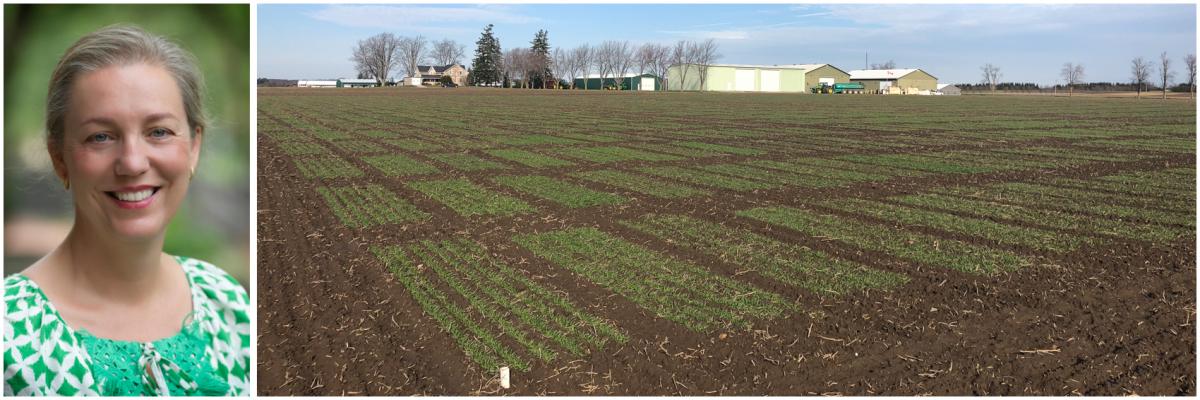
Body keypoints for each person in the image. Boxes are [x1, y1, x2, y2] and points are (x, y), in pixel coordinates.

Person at [3, 24, 249, 396]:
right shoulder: (10, 334)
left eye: (159, 132)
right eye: (100, 136)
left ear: (194, 147)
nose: (132, 162)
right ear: (60, 158)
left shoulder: (227, 303)